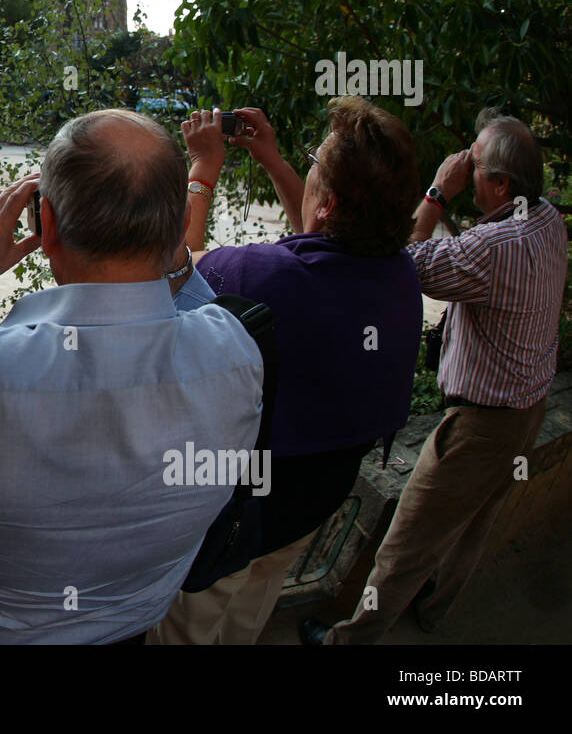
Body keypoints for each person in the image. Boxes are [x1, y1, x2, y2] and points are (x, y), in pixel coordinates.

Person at [0, 109, 264, 644]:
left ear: (44, 226)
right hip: (132, 624)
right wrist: (170, 230)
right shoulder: (234, 353)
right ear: (183, 223)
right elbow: (189, 305)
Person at [149, 99, 422, 645]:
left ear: (331, 201)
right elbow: (324, 235)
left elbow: (177, 272)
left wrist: (202, 169)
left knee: (193, 623)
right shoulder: (398, 274)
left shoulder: (259, 273)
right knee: (248, 616)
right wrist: (274, 160)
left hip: (240, 508)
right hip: (314, 498)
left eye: (313, 162)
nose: (308, 170)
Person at [303, 108, 567, 645]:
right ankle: (436, 611)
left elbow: (402, 261)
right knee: (475, 522)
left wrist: (437, 193)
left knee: (408, 542)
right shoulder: (547, 220)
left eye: (474, 162)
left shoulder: (493, 250)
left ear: (498, 184)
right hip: (527, 407)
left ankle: (350, 639)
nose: (463, 165)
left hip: (481, 426)